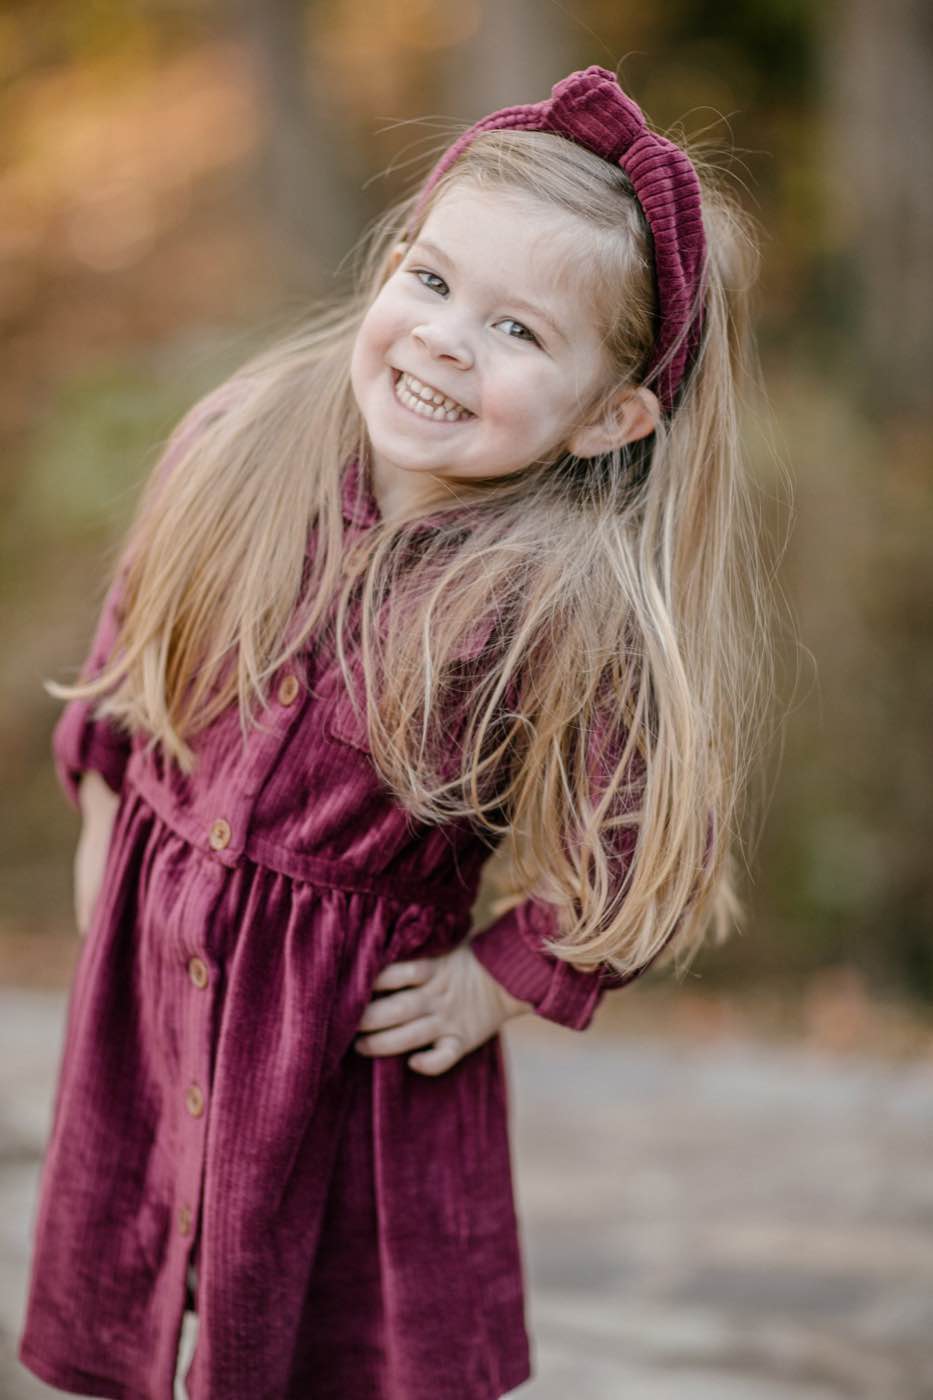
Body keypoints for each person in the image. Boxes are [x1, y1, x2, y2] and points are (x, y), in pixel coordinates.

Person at [19, 65, 773, 1400]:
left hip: (340, 1056)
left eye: (518, 333)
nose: (442, 339)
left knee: (325, 1351)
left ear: (613, 417)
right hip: (150, 1003)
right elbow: (130, 644)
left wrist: (493, 979)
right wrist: (101, 824)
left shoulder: (560, 605)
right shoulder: (236, 441)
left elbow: (645, 836)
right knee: (135, 1299)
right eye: (429, 282)